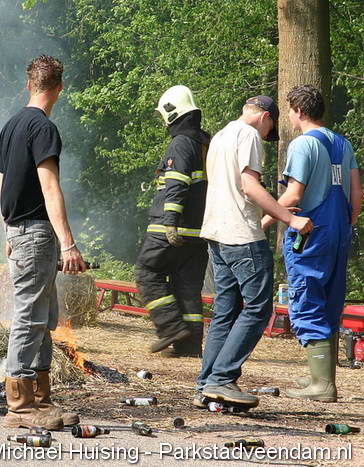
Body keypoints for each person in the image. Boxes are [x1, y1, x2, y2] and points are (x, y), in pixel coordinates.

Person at [196, 95, 313, 408]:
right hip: (241, 236)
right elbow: (249, 186)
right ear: (265, 117)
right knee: (259, 308)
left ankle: (206, 385)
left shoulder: (221, 135)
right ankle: (222, 378)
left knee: (225, 312)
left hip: (216, 234)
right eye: (268, 129)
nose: (266, 135)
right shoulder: (248, 135)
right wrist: (289, 217)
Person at [0, 55, 87, 431]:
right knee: (30, 317)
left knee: (43, 318)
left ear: (29, 85)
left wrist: (6, 230)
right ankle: (19, 406)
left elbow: (3, 184)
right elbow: (50, 188)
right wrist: (68, 244)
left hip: (20, 231)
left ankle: (41, 400)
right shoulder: (43, 128)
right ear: (60, 88)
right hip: (35, 233)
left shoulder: (11, 125)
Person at [263, 85, 361, 401]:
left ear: (299, 111)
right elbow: (356, 194)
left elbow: (293, 195)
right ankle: (322, 378)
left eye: (290, 111)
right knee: (330, 299)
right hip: (339, 230)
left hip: (311, 232)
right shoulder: (343, 144)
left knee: (307, 297)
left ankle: (322, 386)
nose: (289, 118)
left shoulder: (303, 144)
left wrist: (263, 221)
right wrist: (347, 224)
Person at [135, 85, 211, 358]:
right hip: (198, 232)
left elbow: (177, 183)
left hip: (171, 228)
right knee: (188, 286)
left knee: (147, 271)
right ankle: (189, 347)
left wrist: (170, 221)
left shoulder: (181, 143)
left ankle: (169, 328)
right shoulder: (205, 143)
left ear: (171, 112)